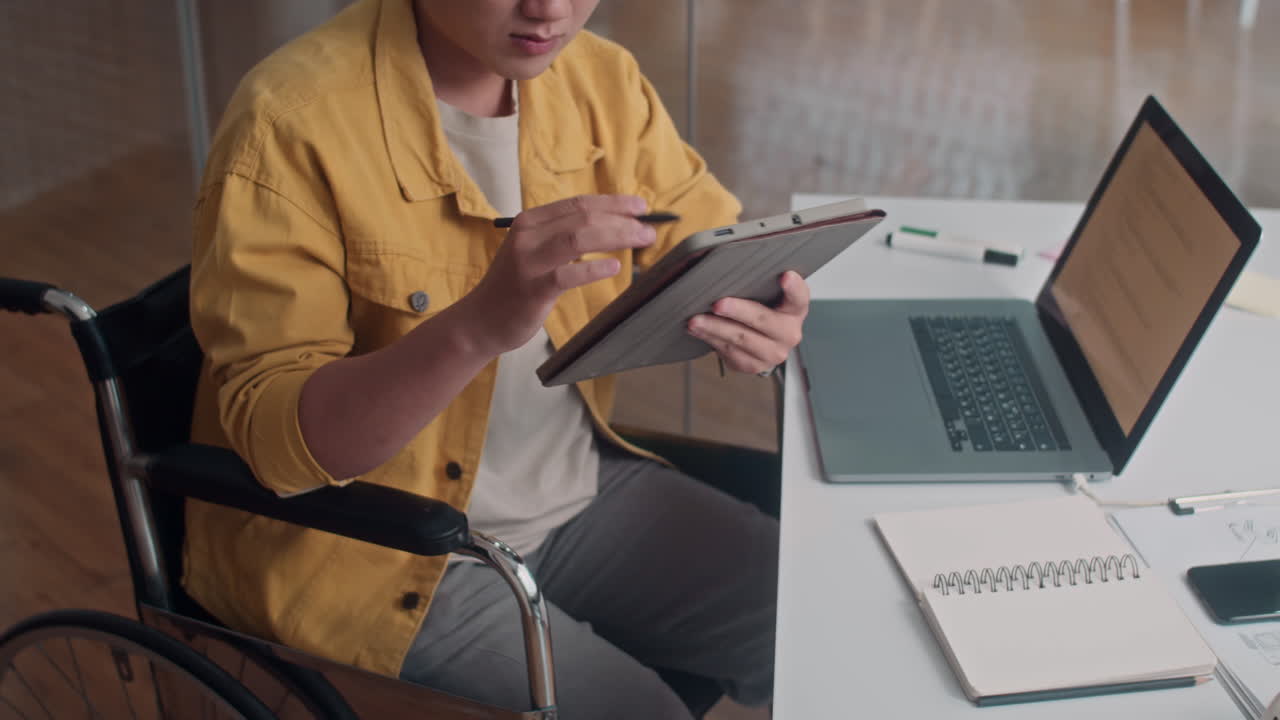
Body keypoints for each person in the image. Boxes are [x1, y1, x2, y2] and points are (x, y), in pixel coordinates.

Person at [185, 0, 809, 716]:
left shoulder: (602, 78)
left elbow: (708, 240)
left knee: (829, 618)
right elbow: (281, 450)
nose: (550, 9)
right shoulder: (290, 120)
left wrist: (764, 309)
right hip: (377, 558)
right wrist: (477, 325)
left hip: (572, 493)